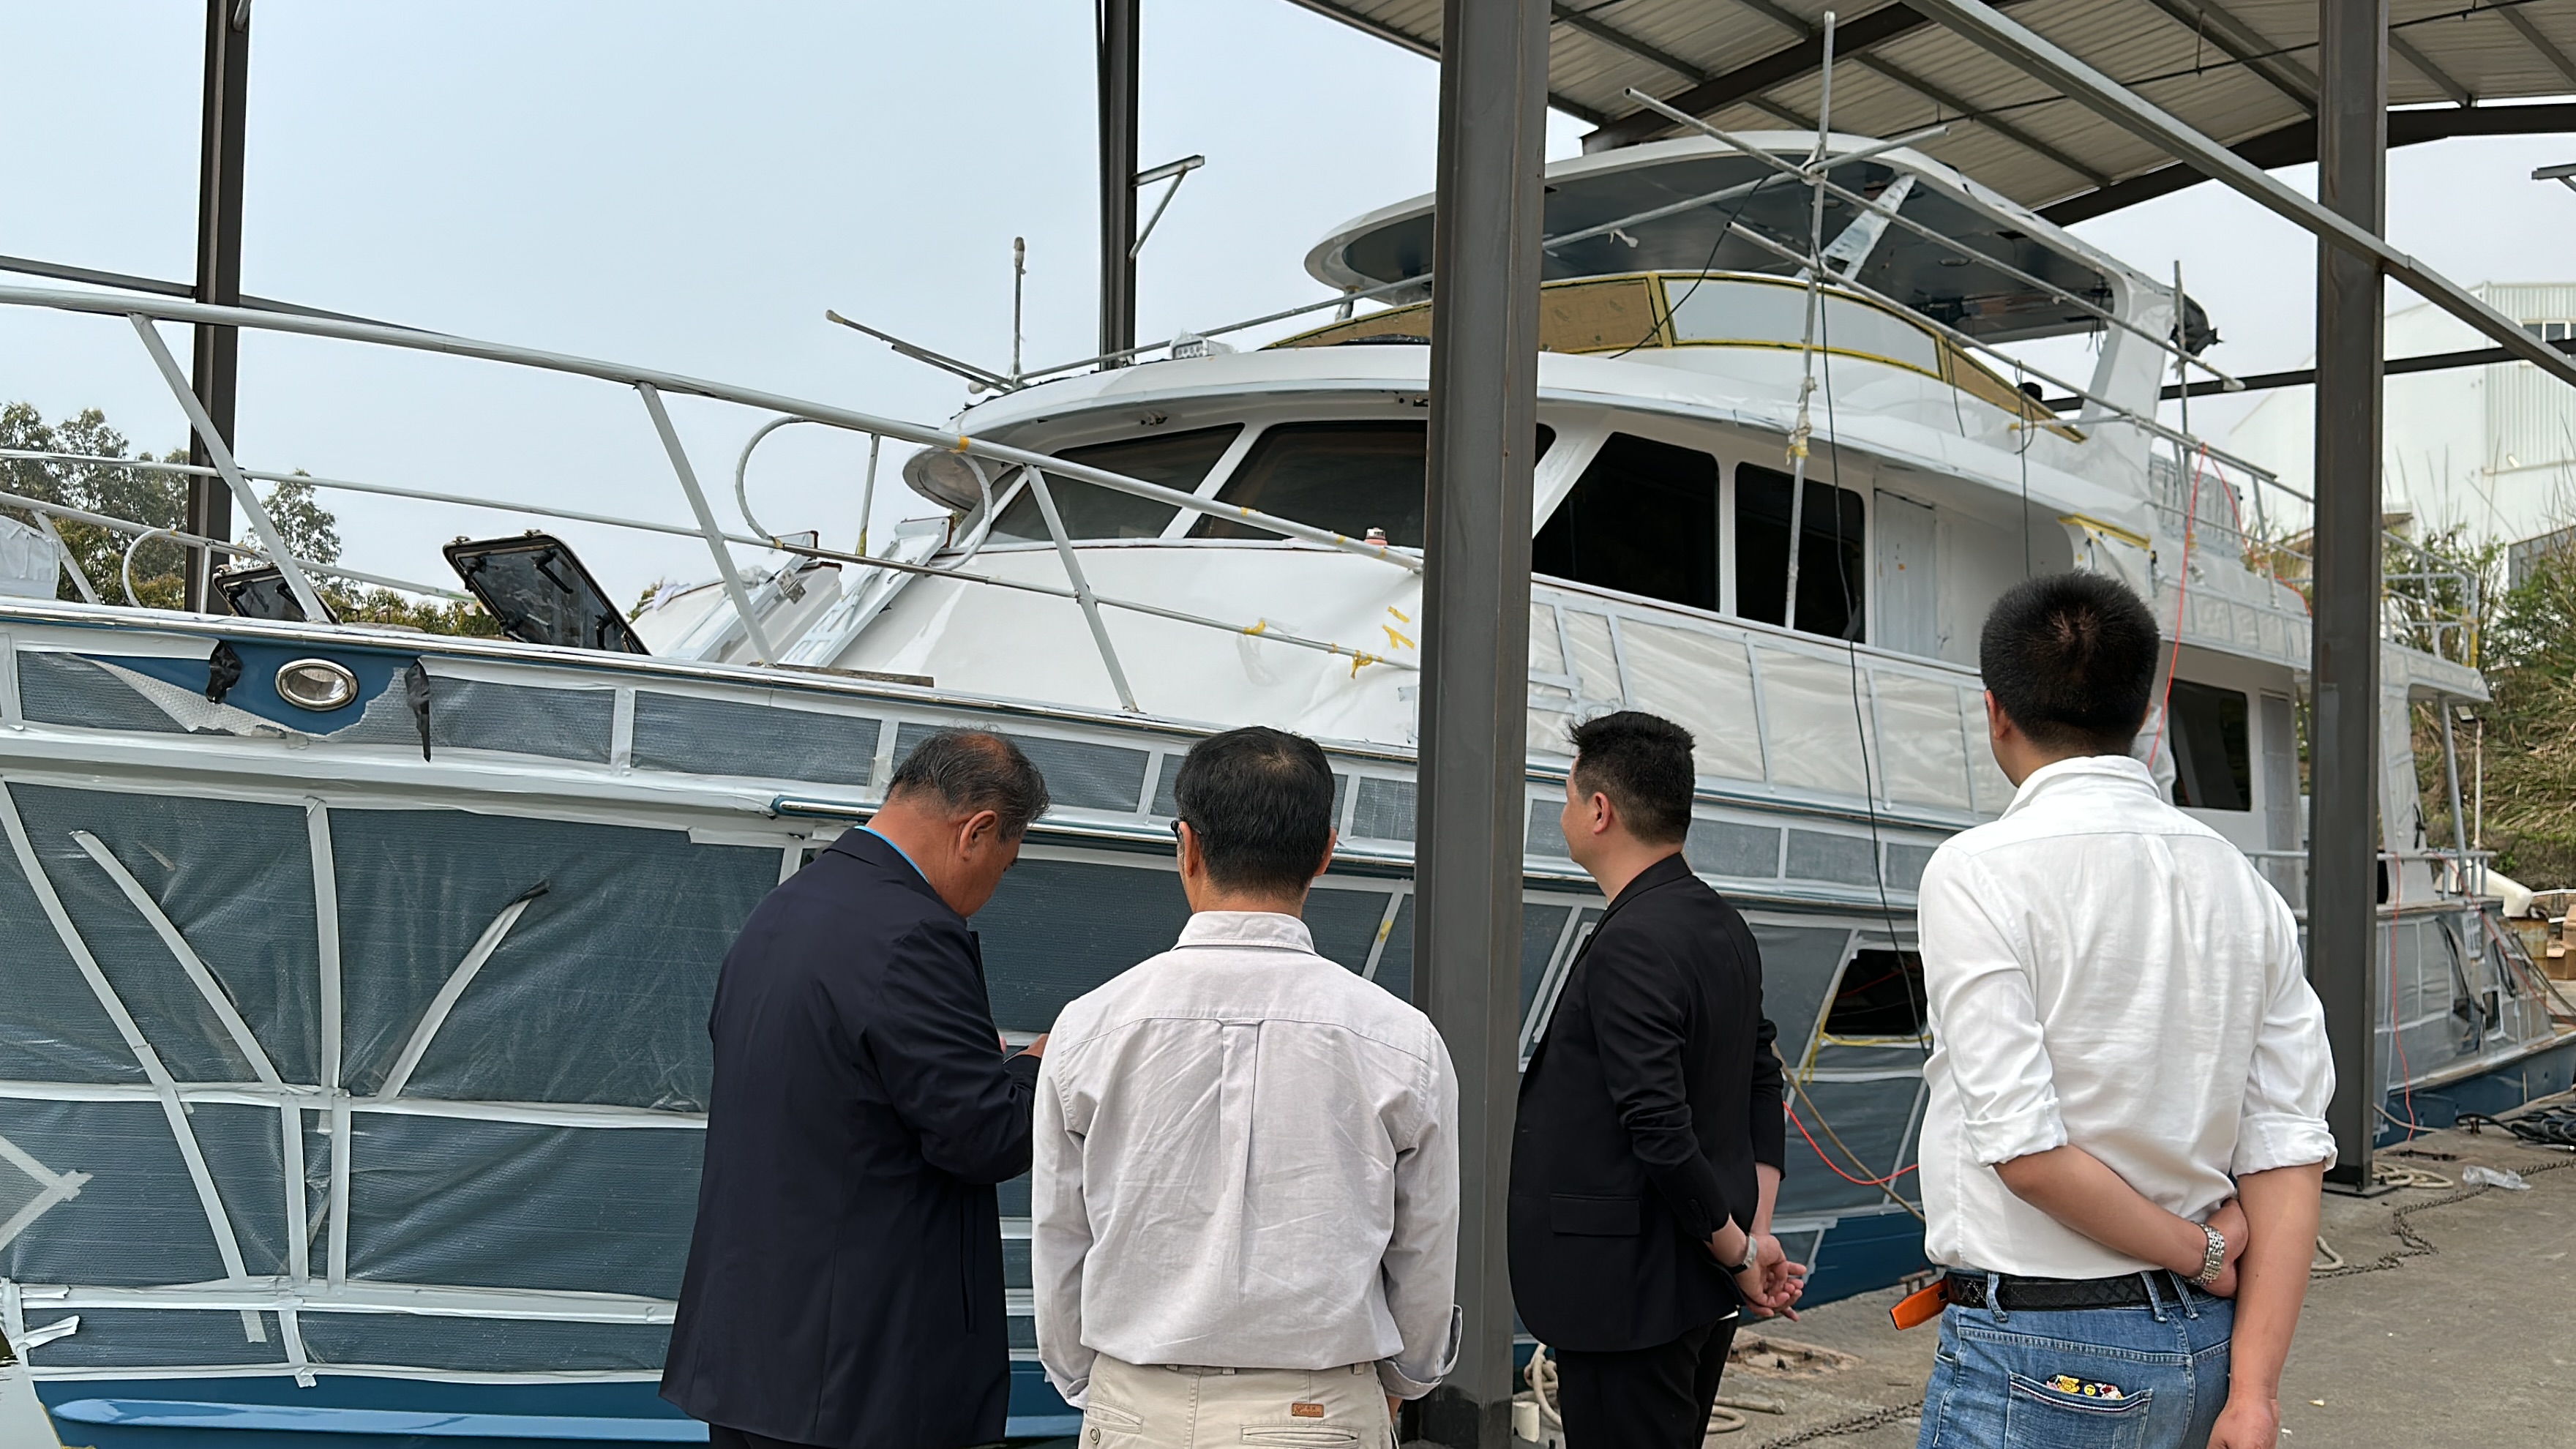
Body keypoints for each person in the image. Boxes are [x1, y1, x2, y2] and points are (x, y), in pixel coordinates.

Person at [1912, 572, 2334, 1449]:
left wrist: (2200, 1252)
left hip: (2037, 1350)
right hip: (2206, 1352)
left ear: (1995, 712)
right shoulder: (2241, 885)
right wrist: (2255, 1394)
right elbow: (2287, 1148)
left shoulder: (1975, 872)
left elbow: (2026, 1153)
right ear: (2146, 713)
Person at [1030, 725, 1460, 1449]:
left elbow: (1060, 1236)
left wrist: (1090, 1383)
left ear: (1188, 845)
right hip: (1320, 1408)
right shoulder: (1400, 1039)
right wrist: (1402, 1383)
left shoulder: (1091, 1026)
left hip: (1136, 1404)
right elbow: (1425, 1251)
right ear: (1324, 853)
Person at [662, 730, 1052, 1449]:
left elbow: (839, 1095)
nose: (992, 890)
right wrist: (1037, 1066)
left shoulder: (783, 909)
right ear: (978, 831)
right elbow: (985, 1137)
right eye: (1006, 864)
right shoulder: (914, 933)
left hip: (754, 1356)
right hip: (862, 1378)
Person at [1509, 710, 1801, 1449]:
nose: (1564, 813)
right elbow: (1761, 1082)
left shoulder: (1632, 939)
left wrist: (1740, 1251)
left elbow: (1658, 1127)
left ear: (1599, 810)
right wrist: (1752, 1234)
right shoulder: (1722, 924)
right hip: (1693, 1287)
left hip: (1628, 1296)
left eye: (1568, 796)